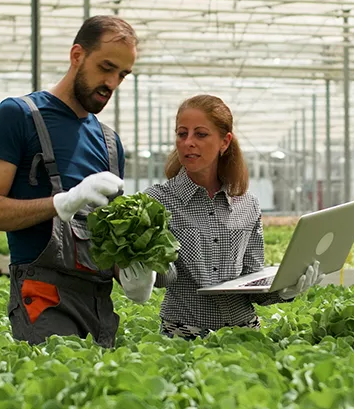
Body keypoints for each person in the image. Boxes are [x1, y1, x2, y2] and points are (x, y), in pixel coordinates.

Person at [0, 15, 136, 348]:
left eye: (122, 74)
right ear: (77, 55)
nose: (112, 82)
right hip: (44, 296)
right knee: (58, 377)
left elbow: (107, 238)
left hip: (99, 302)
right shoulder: (18, 116)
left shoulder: (110, 143)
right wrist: (63, 202)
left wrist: (135, 271)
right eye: (106, 67)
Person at [120, 95, 323, 340]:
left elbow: (252, 279)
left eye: (200, 134)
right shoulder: (156, 201)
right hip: (184, 336)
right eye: (182, 134)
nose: (188, 142)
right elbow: (166, 276)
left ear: (224, 142)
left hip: (245, 335)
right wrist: (145, 269)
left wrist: (285, 289)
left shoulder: (247, 203)